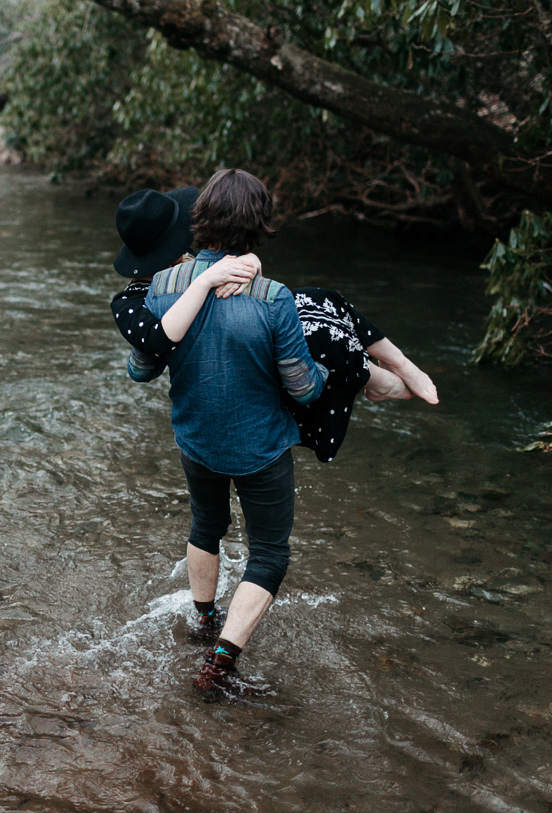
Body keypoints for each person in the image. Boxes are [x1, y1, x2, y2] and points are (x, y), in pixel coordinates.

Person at [110, 170, 436, 698]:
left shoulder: (163, 286)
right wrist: (337, 375)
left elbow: (143, 369)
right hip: (258, 447)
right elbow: (303, 389)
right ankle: (218, 664)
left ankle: (202, 621)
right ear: (260, 226)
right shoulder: (274, 297)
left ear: (201, 221)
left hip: (194, 437)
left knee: (206, 524)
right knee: (268, 554)